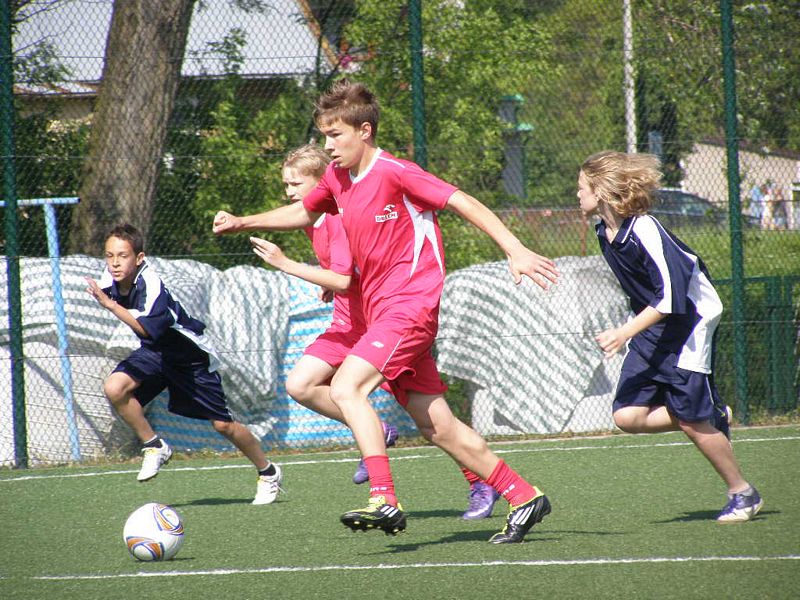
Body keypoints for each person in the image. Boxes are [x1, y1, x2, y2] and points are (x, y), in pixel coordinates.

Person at [213, 79, 559, 543]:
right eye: (324, 135)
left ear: (365, 131)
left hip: (410, 307)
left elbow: (463, 201)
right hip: (382, 316)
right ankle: (524, 495)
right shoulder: (337, 178)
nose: (328, 146)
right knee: (436, 425)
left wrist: (514, 249)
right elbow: (304, 214)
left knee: (346, 386)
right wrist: (243, 222)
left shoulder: (397, 172)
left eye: (335, 135)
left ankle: (384, 498)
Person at [251, 143, 500, 519]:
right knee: (301, 384)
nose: (289, 192)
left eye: (296, 184)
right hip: (348, 322)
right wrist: (329, 281)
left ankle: (479, 479)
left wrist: (289, 265)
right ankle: (377, 432)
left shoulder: (337, 217)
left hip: (380, 324)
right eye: (285, 184)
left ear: (323, 182)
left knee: (430, 417)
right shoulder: (314, 222)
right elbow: (349, 272)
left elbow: (344, 276)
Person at [577, 150, 763, 523]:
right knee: (627, 416)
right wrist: (633, 328)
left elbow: (672, 298)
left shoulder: (645, 229)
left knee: (692, 421)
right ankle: (709, 413)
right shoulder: (604, 233)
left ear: (602, 190)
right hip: (653, 325)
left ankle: (742, 493)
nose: (577, 194)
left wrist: (624, 332)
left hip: (689, 322)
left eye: (581, 187)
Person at [85, 224, 283, 505]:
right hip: (156, 353)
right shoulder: (110, 278)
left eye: (123, 256)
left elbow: (145, 328)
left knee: (223, 425)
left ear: (139, 258)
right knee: (115, 388)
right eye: (109, 255)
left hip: (189, 357)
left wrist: (111, 305)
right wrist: (108, 299)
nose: (115, 262)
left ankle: (268, 472)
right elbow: (147, 335)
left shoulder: (150, 284)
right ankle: (154, 445)